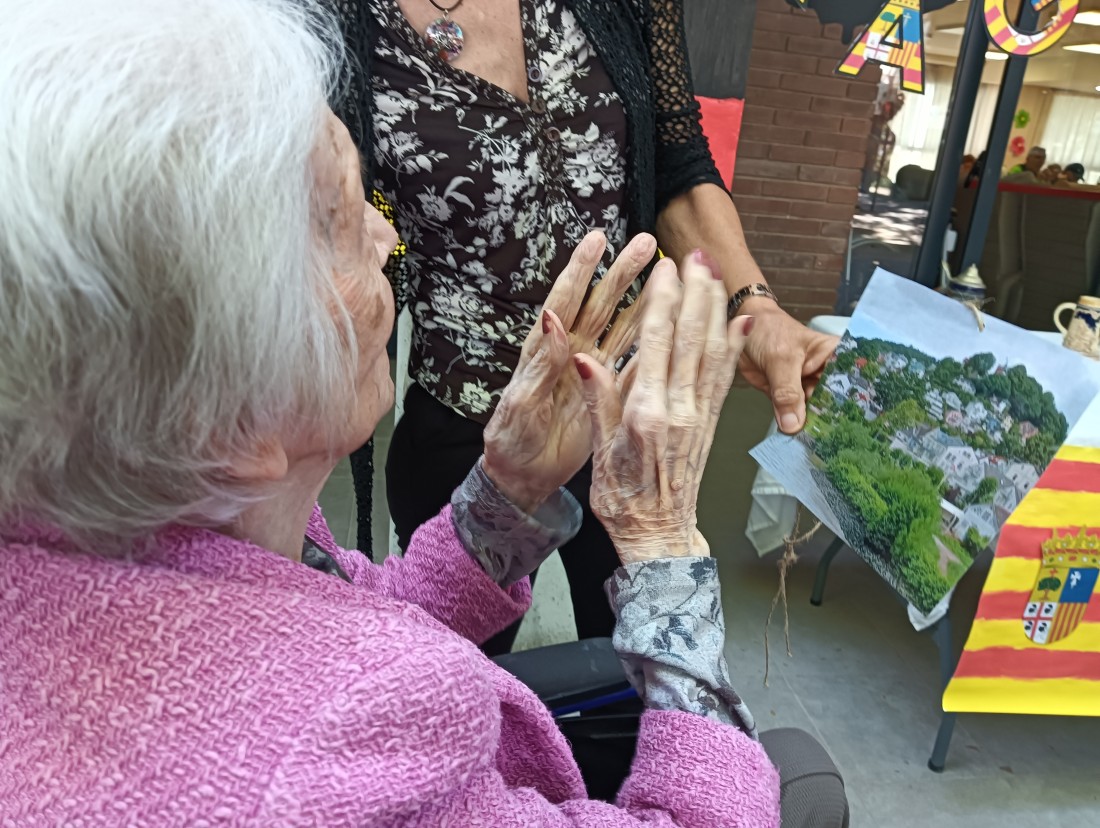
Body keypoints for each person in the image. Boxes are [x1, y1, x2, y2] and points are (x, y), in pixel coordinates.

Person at [0, 1, 850, 825]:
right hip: (453, 449)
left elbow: (348, 608)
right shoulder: (360, 741)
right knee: (796, 773)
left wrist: (507, 492)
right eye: (340, 220)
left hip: (532, 435)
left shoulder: (158, 511)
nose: (387, 238)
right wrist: (665, 548)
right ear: (221, 418)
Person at [337, 0, 838, 652]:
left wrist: (754, 306)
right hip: (466, 418)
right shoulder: (339, 17)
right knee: (452, 664)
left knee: (639, 664)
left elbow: (676, 159)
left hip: (624, 414)